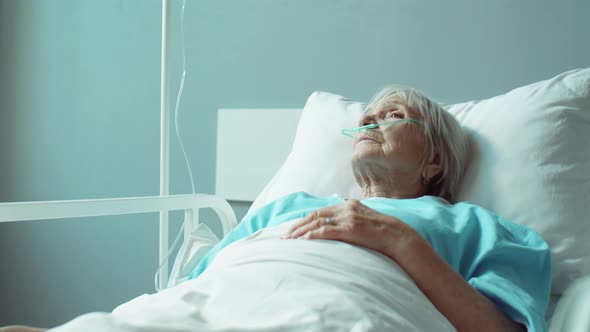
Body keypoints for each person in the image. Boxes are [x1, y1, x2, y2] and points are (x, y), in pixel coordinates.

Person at [2, 87, 551, 332]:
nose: (367, 122)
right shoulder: (289, 206)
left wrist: (398, 240)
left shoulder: (480, 227)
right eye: (364, 117)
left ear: (434, 161)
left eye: (391, 115)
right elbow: (200, 283)